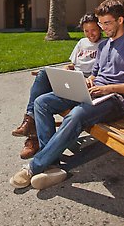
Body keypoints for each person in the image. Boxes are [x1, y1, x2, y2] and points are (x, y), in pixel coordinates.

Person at [9, 0, 124, 190]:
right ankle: (52, 167)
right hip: (95, 92)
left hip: (116, 101)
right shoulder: (104, 46)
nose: (103, 27)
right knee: (42, 102)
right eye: (101, 23)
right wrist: (90, 80)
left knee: (76, 114)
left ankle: (34, 167)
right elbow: (97, 73)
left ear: (120, 20)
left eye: (106, 23)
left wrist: (109, 88)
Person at [12, 13, 104, 159]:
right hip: (73, 80)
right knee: (43, 74)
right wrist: (68, 68)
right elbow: (73, 64)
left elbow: (103, 71)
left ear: (100, 28)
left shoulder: (104, 45)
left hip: (85, 85)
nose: (90, 34)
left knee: (42, 102)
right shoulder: (81, 42)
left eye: (93, 30)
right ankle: (30, 119)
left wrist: (91, 79)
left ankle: (32, 133)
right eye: (86, 31)